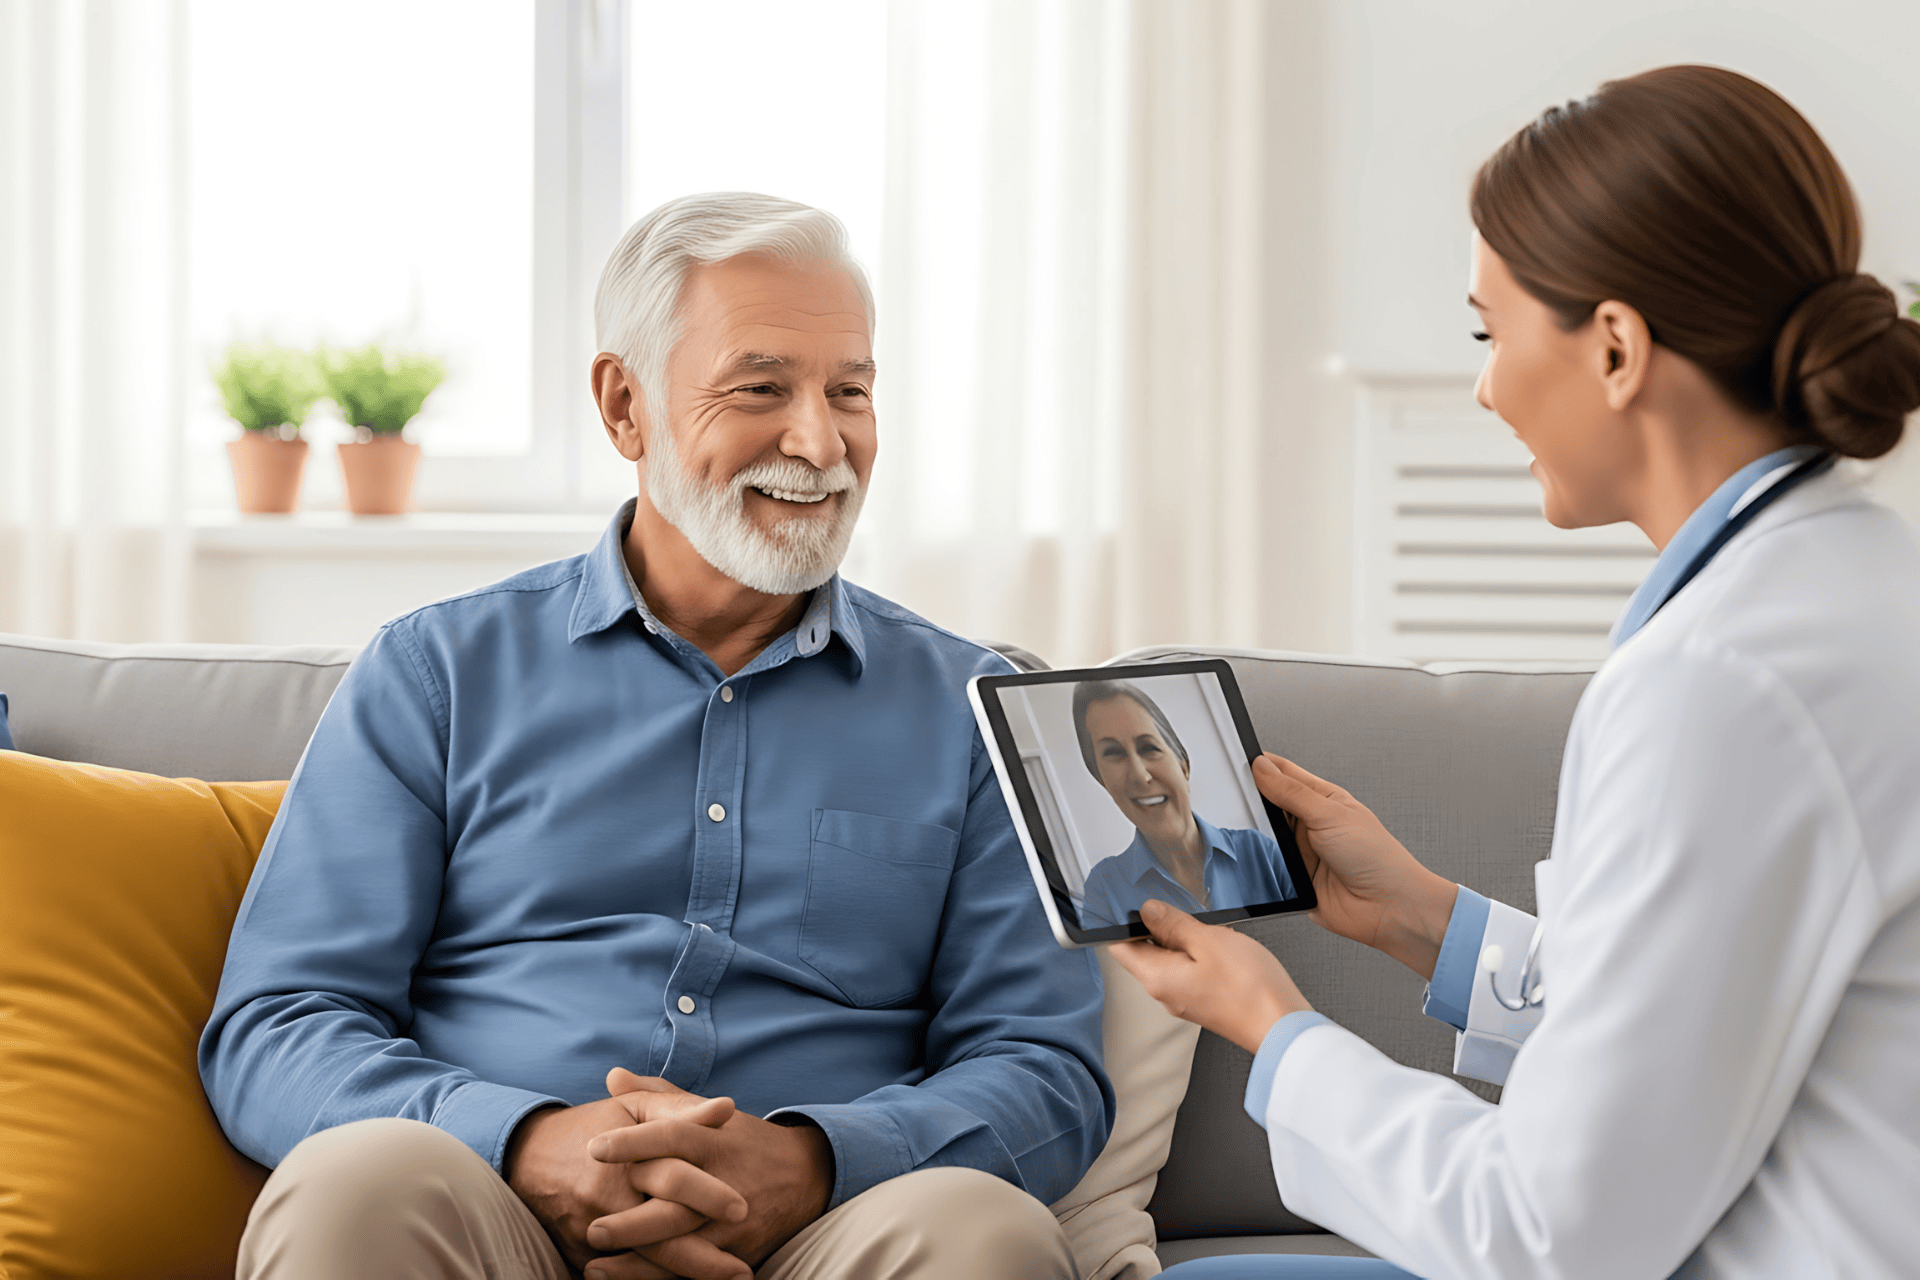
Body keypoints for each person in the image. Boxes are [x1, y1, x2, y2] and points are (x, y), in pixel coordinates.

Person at [200, 193, 1112, 1280]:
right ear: (624, 404)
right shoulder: (436, 671)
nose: (819, 440)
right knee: (355, 1187)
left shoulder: (977, 708)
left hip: (827, 1232)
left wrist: (814, 1163)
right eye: (761, 388)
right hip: (489, 1208)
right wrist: (527, 1138)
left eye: (851, 391)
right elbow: (281, 1021)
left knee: (982, 1231)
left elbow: (1042, 1064)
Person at [1114, 65, 1920, 1279]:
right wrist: (1428, 922)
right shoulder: (1852, 589)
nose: (1485, 386)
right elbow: (1699, 1023)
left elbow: (1548, 1232)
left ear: (1614, 350)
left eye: (1491, 333)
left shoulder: (1719, 685)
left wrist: (1272, 1029)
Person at [1071, 679, 1295, 928]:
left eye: (1148, 747)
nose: (1140, 775)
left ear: (1183, 765)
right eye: (1114, 753)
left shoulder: (1260, 852)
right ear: (1102, 780)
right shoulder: (1104, 888)